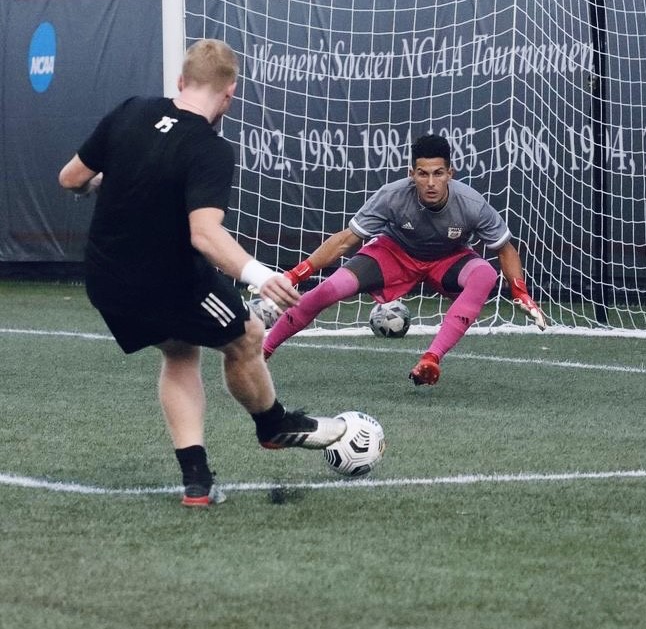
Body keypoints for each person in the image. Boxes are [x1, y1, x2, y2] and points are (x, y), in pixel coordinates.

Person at [58, 38, 345, 507]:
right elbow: (205, 236)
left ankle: (197, 482)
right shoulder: (208, 147)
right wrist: (259, 274)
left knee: (179, 351)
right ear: (230, 95)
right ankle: (273, 425)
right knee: (247, 336)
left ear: (180, 81)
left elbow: (71, 178)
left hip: (106, 279)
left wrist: (110, 178)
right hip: (169, 282)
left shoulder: (131, 109)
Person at [263, 132, 546, 385]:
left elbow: (505, 248)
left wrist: (519, 290)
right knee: (329, 289)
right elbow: (344, 241)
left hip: (447, 259)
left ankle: (431, 359)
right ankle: (262, 351)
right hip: (394, 254)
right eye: (423, 174)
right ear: (411, 174)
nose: (431, 183)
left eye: (438, 173)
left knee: (484, 273)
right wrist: (295, 275)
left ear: (451, 173)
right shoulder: (392, 196)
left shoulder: (472, 204)